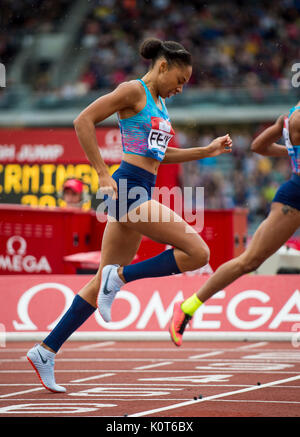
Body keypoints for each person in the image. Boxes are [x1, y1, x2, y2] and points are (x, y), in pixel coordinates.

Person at [26, 37, 232, 393]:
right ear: (162, 66)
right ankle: (120, 277)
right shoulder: (133, 91)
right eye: (180, 81)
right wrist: (102, 175)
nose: (182, 88)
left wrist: (207, 149)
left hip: (138, 190)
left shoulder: (160, 105)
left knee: (96, 286)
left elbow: (159, 156)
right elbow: (83, 121)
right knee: (198, 253)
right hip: (124, 189)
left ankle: (46, 350)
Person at [169, 101, 300, 347]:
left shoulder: (287, 118)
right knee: (248, 261)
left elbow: (257, 146)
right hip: (294, 199)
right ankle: (188, 307)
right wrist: (291, 148)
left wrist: (291, 150)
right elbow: (258, 147)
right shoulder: (295, 119)